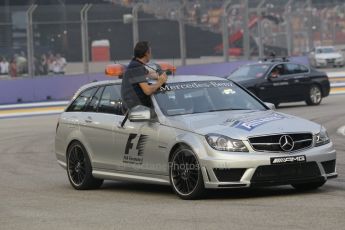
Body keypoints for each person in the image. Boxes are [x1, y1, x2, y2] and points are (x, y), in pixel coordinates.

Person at [121, 41, 167, 110]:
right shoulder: (136, 67)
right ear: (146, 53)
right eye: (150, 52)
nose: (151, 55)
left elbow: (150, 74)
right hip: (137, 110)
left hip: (138, 108)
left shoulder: (136, 64)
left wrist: (160, 75)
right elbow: (147, 91)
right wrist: (160, 82)